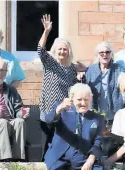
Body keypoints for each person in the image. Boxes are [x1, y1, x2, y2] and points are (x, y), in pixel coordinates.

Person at [38, 14, 85, 159]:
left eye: (65, 49)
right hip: (48, 107)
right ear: (55, 50)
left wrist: (82, 74)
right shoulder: (50, 62)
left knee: (60, 140)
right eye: (59, 49)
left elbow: (75, 88)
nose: (62, 52)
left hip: (64, 110)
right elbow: (40, 50)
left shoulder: (72, 68)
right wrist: (46, 31)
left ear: (68, 51)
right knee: (47, 140)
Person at [85, 41, 125, 125]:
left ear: (111, 54)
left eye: (107, 52)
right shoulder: (91, 70)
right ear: (97, 55)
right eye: (101, 52)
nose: (104, 54)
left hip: (114, 112)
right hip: (96, 110)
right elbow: (86, 89)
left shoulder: (118, 69)